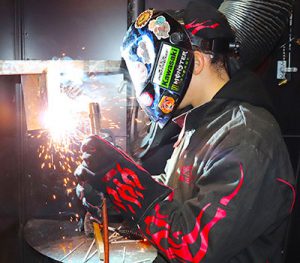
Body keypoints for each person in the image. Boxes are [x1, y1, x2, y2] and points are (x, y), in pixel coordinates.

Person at [74, 1, 295, 262]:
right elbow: (174, 200)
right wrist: (117, 200)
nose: (148, 75)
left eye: (153, 62)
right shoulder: (201, 123)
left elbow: (193, 244)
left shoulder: (247, 137)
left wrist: (130, 188)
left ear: (197, 62)